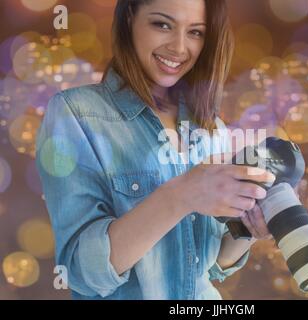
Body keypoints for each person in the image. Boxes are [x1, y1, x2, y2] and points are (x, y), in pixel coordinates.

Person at [36, 0, 274, 300]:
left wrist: (247, 230)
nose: (179, 48)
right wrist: (183, 193)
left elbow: (210, 269)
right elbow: (80, 273)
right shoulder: (75, 113)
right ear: (129, 21)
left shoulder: (212, 127)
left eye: (196, 32)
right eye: (162, 24)